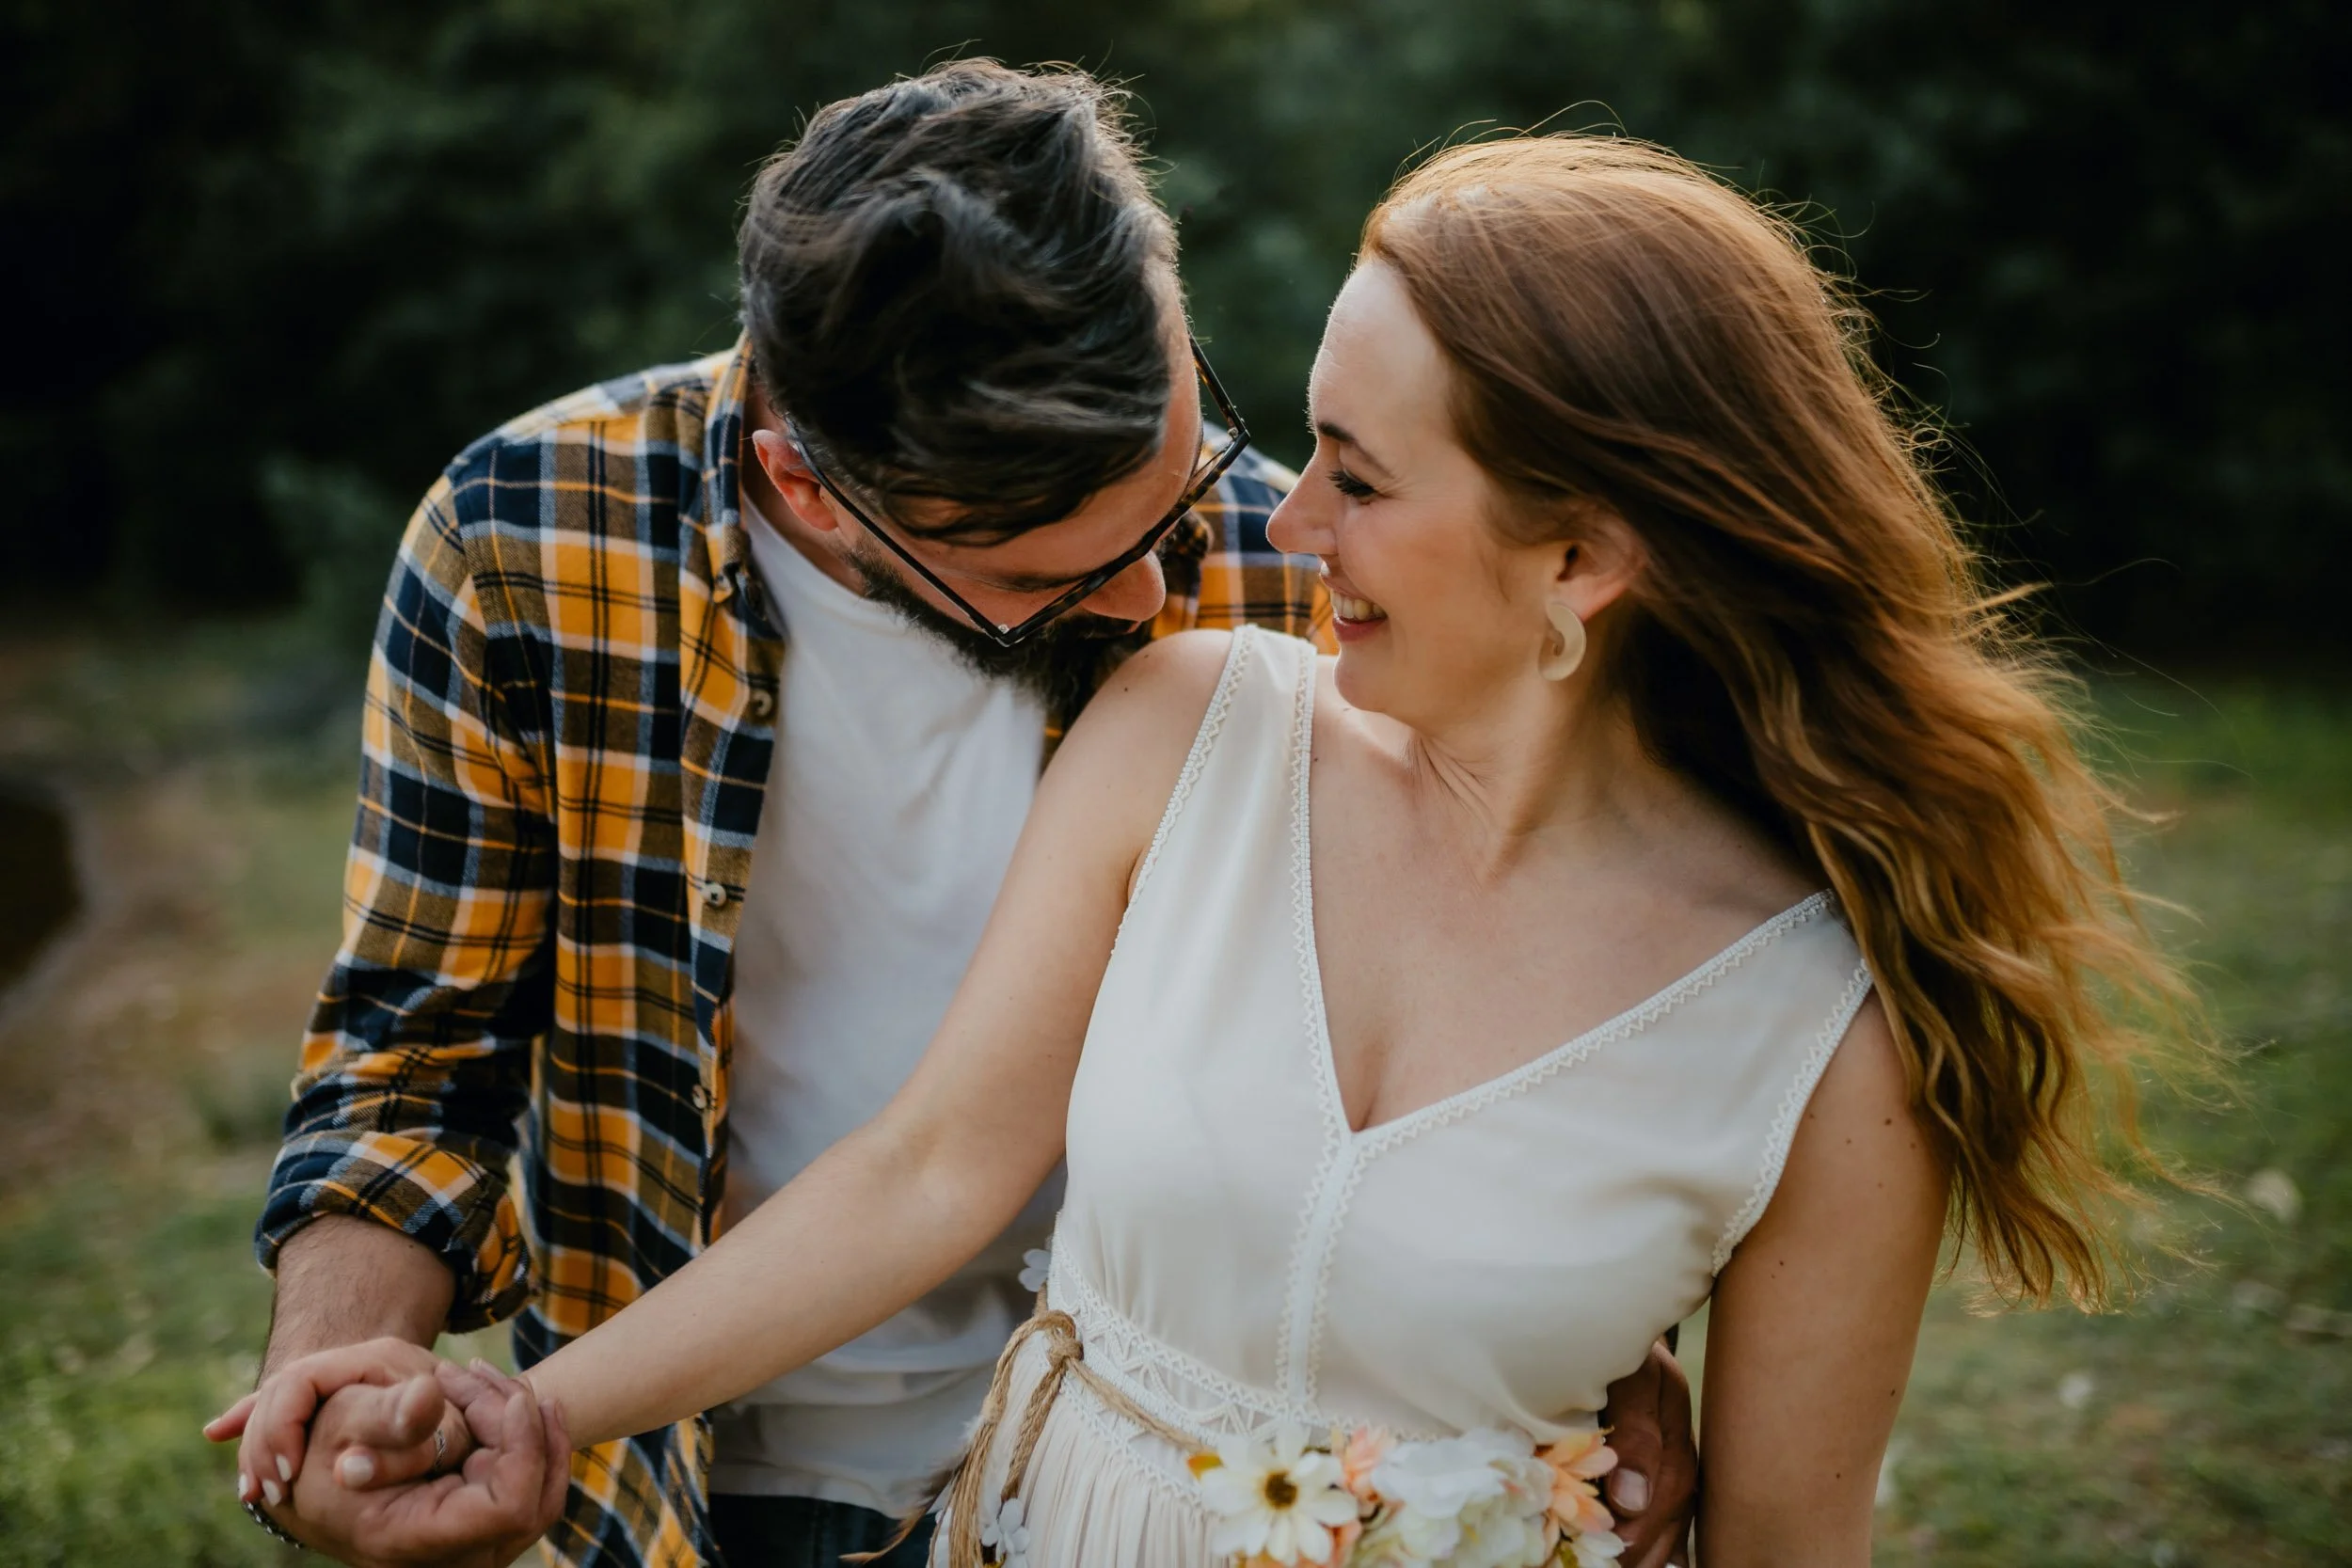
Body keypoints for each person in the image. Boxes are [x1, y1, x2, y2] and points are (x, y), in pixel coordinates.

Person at [219, 133, 2195, 1566]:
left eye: (1274, 458)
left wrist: (1550, 1342)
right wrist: (460, 1395)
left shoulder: (1292, 590)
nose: (1251, 536)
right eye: (1079, 558)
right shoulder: (550, 543)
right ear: (818, 481)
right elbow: (868, 1150)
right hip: (747, 1473)